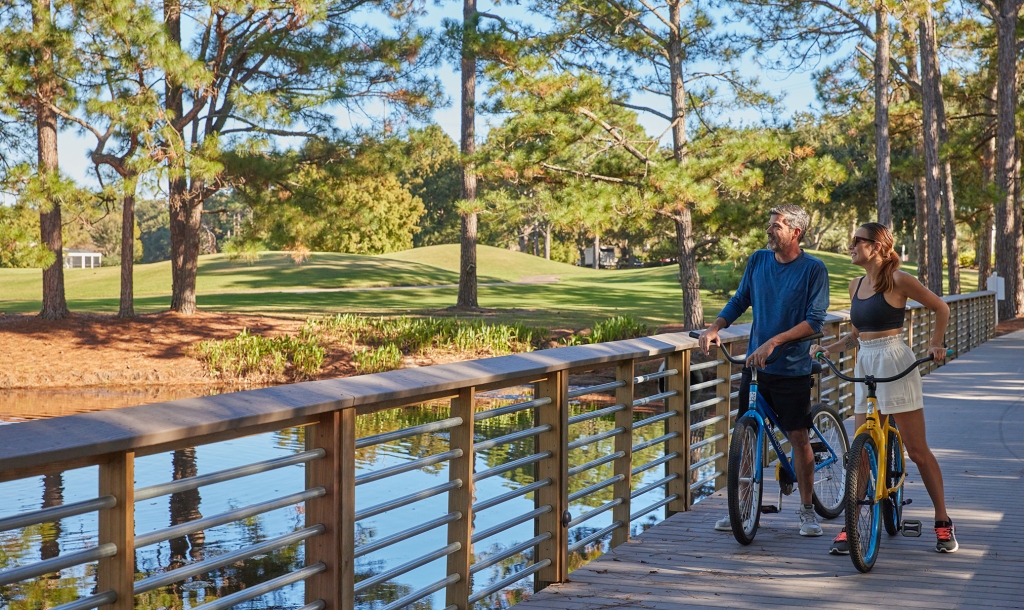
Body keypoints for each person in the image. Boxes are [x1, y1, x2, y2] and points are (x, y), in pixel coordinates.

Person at [809, 222, 957, 554]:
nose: (850, 245)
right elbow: (858, 335)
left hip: (895, 361)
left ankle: (943, 521)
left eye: (856, 241)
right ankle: (852, 525)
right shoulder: (854, 285)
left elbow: (941, 308)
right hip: (866, 363)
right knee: (861, 451)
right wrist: (828, 349)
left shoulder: (899, 280)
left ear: (875, 246)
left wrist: (935, 345)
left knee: (917, 451)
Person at [698, 204, 830, 537]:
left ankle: (807, 510)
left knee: (799, 438)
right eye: (769, 225)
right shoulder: (758, 260)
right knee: (746, 436)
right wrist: (716, 326)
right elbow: (741, 298)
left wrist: (773, 342)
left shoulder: (813, 269)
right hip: (756, 368)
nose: (769, 230)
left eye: (776, 226)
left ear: (795, 232)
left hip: (792, 368)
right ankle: (742, 508)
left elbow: (814, 322)